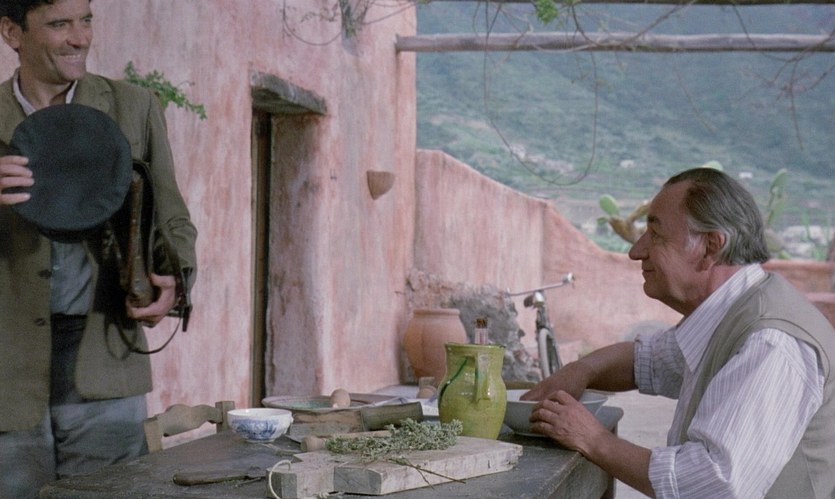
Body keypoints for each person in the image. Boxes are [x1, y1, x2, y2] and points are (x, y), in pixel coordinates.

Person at [523, 167, 835, 498]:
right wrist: (580, 371)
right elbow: (648, 360)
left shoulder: (769, 341)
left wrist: (594, 439)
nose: (636, 251)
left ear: (710, 247)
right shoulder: (731, 312)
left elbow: (712, 484)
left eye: (655, 235)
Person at [0, 0, 197, 497]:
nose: (80, 37)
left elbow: (171, 217)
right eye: (59, 24)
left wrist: (174, 280)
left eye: (86, 20)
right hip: (7, 371)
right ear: (12, 33)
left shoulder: (134, 107)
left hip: (104, 356)